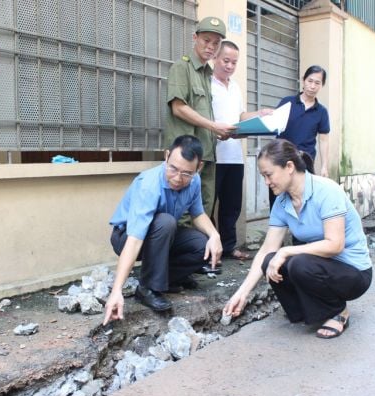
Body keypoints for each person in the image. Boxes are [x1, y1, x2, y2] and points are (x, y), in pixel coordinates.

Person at [224, 139, 372, 339]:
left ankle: (338, 311)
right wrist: (242, 293)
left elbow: (335, 245)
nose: (267, 182)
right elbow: (267, 250)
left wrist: (285, 251)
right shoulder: (282, 203)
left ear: (289, 167)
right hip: (321, 266)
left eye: (269, 175)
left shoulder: (326, 191)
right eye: (263, 177)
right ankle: (306, 311)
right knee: (270, 261)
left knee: (297, 262)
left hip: (353, 273)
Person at [103, 135, 223, 324]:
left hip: (163, 234)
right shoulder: (149, 185)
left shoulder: (194, 181)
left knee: (202, 245)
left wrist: (214, 235)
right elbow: (134, 240)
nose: (177, 178)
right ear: (166, 156)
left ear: (198, 168)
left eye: (186, 173)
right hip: (126, 236)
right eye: (173, 169)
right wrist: (117, 290)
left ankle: (166, 279)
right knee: (166, 222)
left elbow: (198, 214)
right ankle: (147, 288)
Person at [164, 17, 237, 221]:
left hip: (206, 153)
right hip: (185, 156)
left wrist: (218, 132)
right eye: (206, 40)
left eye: (215, 43)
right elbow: (178, 108)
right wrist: (214, 126)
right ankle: (182, 251)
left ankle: (200, 251)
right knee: (183, 212)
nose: (210, 46)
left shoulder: (207, 74)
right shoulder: (182, 67)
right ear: (195, 38)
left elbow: (204, 112)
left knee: (203, 209)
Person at [211, 40, 274, 261]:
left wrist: (260, 114)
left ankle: (228, 247)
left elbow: (240, 117)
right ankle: (210, 250)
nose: (229, 66)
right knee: (208, 205)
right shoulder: (206, 84)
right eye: (226, 60)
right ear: (215, 58)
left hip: (234, 156)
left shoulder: (235, 87)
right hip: (213, 156)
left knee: (231, 205)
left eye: (234, 62)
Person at [269, 65, 330, 210]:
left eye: (317, 83)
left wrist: (324, 166)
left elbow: (323, 140)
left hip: (304, 163)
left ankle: (299, 232)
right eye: (310, 81)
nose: (312, 86)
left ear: (322, 85)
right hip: (281, 160)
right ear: (303, 80)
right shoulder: (287, 103)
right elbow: (273, 126)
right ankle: (277, 229)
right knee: (277, 201)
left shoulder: (321, 112)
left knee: (301, 202)